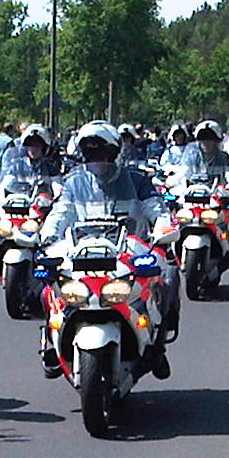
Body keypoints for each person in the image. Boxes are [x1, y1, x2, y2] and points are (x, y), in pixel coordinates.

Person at [40, 120, 175, 360]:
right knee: (49, 288)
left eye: (102, 154)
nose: (97, 160)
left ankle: (157, 346)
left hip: (127, 250)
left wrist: (163, 227)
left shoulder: (137, 181)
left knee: (167, 279)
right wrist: (48, 234)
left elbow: (156, 208)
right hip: (81, 250)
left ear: (114, 154)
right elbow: (61, 212)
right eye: (91, 155)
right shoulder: (74, 183)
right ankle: (51, 341)